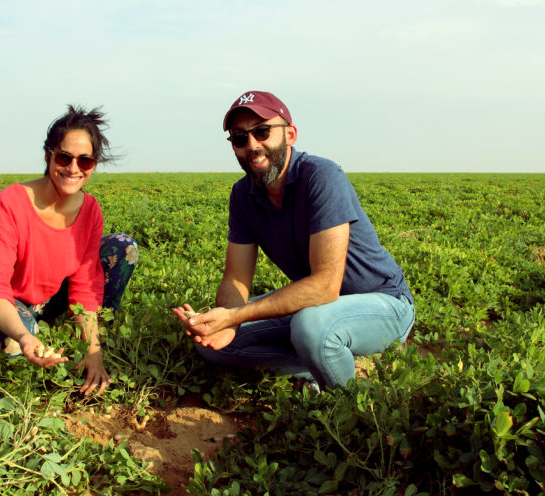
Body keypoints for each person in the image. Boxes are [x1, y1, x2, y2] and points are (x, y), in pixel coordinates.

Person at [173, 91, 414, 390]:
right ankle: (318, 363)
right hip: (318, 308)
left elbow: (326, 285)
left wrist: (238, 315)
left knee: (310, 327)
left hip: (385, 303)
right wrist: (227, 323)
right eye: (239, 138)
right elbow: (236, 277)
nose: (252, 145)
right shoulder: (243, 195)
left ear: (290, 134)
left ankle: (348, 408)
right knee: (213, 343)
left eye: (262, 131)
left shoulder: (321, 176)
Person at [0, 105, 138, 396]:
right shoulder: (10, 203)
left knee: (123, 248)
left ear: (94, 164)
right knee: (17, 343)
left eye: (85, 161)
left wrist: (93, 350)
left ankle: (89, 333)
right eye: (64, 157)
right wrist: (25, 337)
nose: (73, 169)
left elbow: (85, 285)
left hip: (44, 300)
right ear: (49, 154)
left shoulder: (90, 210)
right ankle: (27, 338)